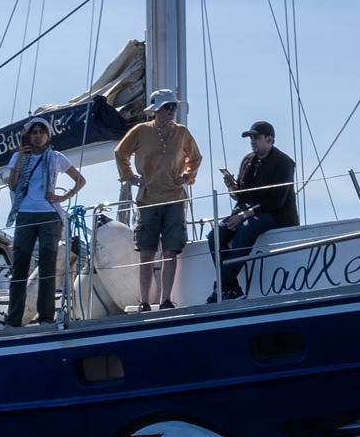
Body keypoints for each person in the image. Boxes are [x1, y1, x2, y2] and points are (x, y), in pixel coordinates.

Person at [114, 89, 202, 311]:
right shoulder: (140, 131)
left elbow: (196, 157)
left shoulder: (182, 133)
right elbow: (120, 153)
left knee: (171, 250)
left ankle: (165, 301)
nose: (173, 111)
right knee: (147, 251)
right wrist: (130, 177)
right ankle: (144, 302)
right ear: (156, 110)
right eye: (169, 107)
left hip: (174, 199)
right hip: (148, 199)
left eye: (174, 106)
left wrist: (188, 177)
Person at [4, 117, 86, 326]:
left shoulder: (56, 157)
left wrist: (64, 196)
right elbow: (13, 187)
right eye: (34, 132)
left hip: (49, 215)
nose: (38, 135)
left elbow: (80, 179)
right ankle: (13, 319)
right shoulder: (17, 157)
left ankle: (46, 318)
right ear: (28, 136)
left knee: (47, 268)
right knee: (20, 269)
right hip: (25, 214)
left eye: (42, 132)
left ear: (48, 136)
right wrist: (20, 161)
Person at [212, 121, 299, 300]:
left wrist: (244, 215)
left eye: (257, 137)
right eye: (251, 138)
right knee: (215, 235)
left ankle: (221, 285)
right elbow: (242, 196)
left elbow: (277, 201)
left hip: (278, 215)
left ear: (269, 139)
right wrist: (232, 189)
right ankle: (231, 287)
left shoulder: (284, 162)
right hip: (250, 211)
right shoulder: (248, 160)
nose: (252, 141)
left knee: (247, 229)